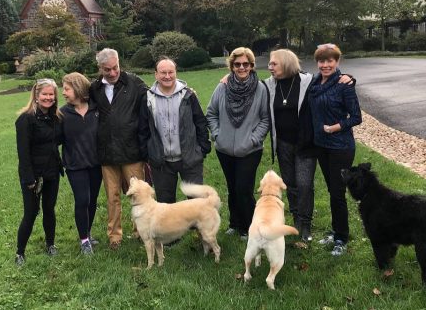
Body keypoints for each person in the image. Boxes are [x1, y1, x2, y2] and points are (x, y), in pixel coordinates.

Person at [265, 49, 352, 243]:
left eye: (273, 63)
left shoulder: (308, 81)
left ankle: (306, 223)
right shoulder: (269, 84)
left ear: (286, 63)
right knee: (290, 184)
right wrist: (226, 78)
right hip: (283, 144)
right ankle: (297, 220)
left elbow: (330, 78)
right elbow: (247, 79)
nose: (270, 67)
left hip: (306, 143)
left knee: (304, 185)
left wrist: (349, 78)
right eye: (270, 64)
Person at [206, 47, 270, 239]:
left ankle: (248, 226)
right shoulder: (222, 87)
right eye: (237, 64)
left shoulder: (260, 88)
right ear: (232, 66)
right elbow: (211, 113)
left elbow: (265, 119)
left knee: (244, 189)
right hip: (224, 149)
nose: (242, 67)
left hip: (250, 150)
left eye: (245, 64)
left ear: (251, 65)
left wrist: (254, 139)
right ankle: (234, 223)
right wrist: (217, 134)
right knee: (232, 188)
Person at [89, 48, 148, 250]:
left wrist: (185, 89)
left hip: (131, 150)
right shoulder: (94, 88)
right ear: (100, 68)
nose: (113, 73)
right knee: (112, 197)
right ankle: (115, 236)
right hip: (106, 152)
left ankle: (140, 231)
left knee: (138, 195)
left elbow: (157, 92)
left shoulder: (134, 83)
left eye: (116, 67)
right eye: (107, 70)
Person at [308, 43, 362, 256]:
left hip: (340, 146)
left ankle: (341, 237)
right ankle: (336, 230)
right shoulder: (315, 82)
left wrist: (335, 127)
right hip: (321, 146)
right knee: (332, 191)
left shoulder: (344, 85)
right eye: (321, 61)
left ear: (337, 61)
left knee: (338, 193)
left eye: (330, 60)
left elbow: (356, 117)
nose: (325, 65)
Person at [138, 58, 211, 203]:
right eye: (163, 72)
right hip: (161, 162)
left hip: (190, 158)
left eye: (170, 72)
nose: (167, 76)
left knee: (197, 203)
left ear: (176, 73)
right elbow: (143, 129)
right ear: (156, 74)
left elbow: (200, 122)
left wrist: (202, 149)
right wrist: (148, 154)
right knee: (165, 205)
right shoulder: (147, 98)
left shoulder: (188, 95)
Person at [14, 78, 63, 266]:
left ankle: (50, 244)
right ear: (36, 95)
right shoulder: (25, 119)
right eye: (45, 94)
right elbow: (23, 152)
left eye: (51, 94)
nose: (48, 98)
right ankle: (20, 252)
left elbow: (59, 141)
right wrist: (29, 178)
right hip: (34, 175)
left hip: (52, 172)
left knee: (49, 209)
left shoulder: (55, 118)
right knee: (31, 212)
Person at [61, 72, 101, 255]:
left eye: (67, 89)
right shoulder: (62, 113)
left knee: (92, 200)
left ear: (77, 88)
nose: (63, 93)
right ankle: (84, 240)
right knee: (82, 200)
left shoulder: (96, 108)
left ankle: (88, 232)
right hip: (75, 165)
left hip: (95, 164)